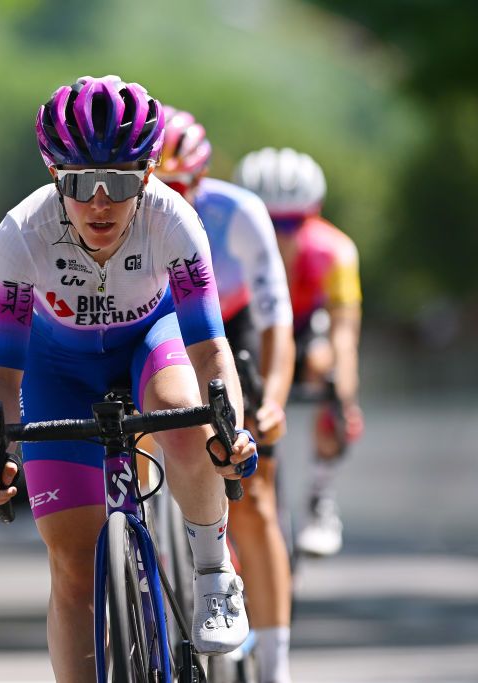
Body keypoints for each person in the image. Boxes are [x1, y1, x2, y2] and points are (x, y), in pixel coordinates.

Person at [0, 75, 258, 681]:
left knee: (183, 414)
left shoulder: (173, 221)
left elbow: (209, 346)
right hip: (58, 369)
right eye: (80, 183)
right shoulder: (21, 234)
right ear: (55, 176)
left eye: (121, 182)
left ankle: (213, 569)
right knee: (73, 568)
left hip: (148, 344)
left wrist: (228, 427)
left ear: (148, 177)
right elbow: (0, 371)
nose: (100, 201)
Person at [156, 107, 296, 683]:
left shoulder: (238, 213)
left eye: (182, 187)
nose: (171, 199)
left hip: (226, 330)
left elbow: (275, 320)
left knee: (255, 495)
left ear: (202, 179)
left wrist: (275, 399)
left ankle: (274, 665)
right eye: (158, 188)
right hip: (154, 333)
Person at [233, 147, 364, 558]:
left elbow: (345, 334)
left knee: (327, 369)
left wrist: (342, 400)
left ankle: (320, 495)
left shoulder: (335, 252)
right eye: (268, 223)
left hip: (305, 328)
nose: (280, 235)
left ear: (314, 214)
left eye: (293, 222)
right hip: (247, 323)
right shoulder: (226, 244)